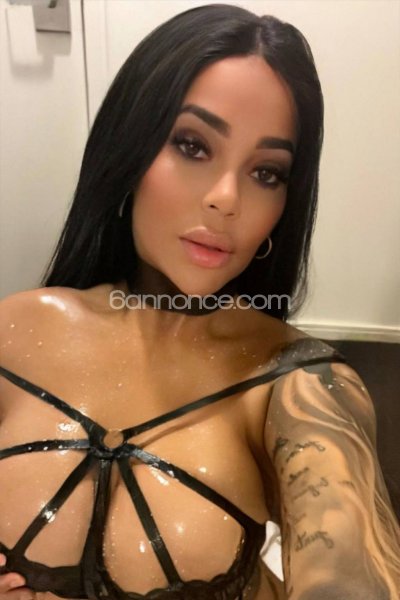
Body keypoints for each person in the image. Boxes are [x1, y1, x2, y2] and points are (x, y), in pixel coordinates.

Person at [0, 4, 399, 600]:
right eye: (192, 145)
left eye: (267, 173)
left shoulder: (299, 384)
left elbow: (351, 568)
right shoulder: (16, 330)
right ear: (128, 152)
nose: (226, 198)